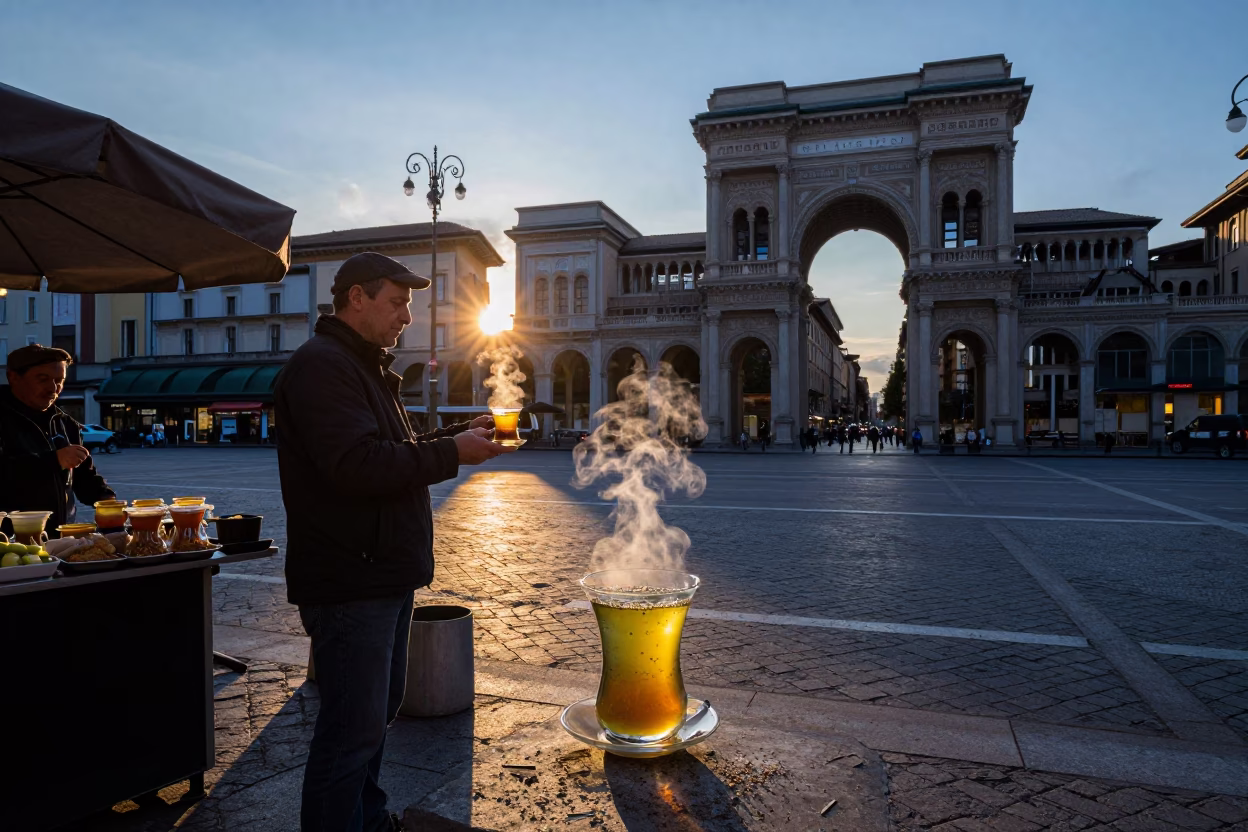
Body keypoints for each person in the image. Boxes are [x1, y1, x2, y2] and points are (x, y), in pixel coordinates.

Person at [274, 252, 515, 832]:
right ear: (357, 298)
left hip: (380, 572)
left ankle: (371, 820)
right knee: (348, 733)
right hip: (350, 579)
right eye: (397, 301)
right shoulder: (323, 367)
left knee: (373, 717)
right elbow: (355, 466)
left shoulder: (361, 366)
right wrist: (451, 453)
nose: (408, 314)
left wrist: (456, 436)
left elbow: (389, 450)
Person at [0, 344, 116, 531]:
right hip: (10, 543)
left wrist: (106, 500)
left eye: (59, 380)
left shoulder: (66, 424)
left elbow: (84, 477)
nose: (53, 388)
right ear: (13, 377)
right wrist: (54, 460)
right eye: (43, 379)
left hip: (59, 539)